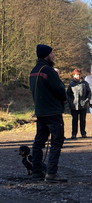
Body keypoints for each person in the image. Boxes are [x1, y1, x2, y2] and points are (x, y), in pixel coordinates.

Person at [29, 44, 68, 183]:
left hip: (40, 112)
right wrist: (64, 97)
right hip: (52, 112)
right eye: (51, 54)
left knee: (39, 143)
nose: (53, 56)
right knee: (56, 142)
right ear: (46, 55)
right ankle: (51, 173)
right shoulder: (48, 71)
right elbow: (60, 90)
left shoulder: (33, 71)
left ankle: (36, 173)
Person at [66, 69, 91, 139]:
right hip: (74, 105)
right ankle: (74, 134)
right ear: (74, 75)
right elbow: (68, 94)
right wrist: (71, 101)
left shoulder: (85, 83)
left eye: (79, 74)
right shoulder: (71, 84)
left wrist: (86, 100)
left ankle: (83, 133)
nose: (78, 75)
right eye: (77, 74)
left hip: (83, 105)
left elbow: (89, 93)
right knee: (74, 120)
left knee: (83, 120)